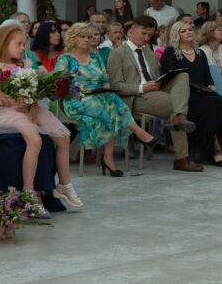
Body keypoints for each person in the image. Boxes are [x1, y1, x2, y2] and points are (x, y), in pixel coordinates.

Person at [0, 24, 79, 213]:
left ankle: (64, 184)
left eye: (24, 45)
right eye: (18, 44)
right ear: (4, 44)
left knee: (64, 137)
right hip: (4, 110)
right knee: (35, 140)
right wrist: (8, 100)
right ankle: (29, 192)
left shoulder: (24, 65)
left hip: (27, 107)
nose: (23, 49)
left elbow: (34, 92)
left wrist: (33, 103)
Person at [55, 23, 157, 177]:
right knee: (111, 109)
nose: (86, 40)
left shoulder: (95, 57)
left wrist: (105, 90)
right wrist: (83, 91)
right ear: (72, 38)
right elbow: (60, 84)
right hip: (76, 99)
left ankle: (110, 159)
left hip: (98, 97)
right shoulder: (65, 58)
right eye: (82, 36)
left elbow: (105, 80)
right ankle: (137, 134)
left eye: (88, 37)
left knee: (111, 100)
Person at [107, 15, 201, 172]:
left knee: (182, 76)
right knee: (175, 107)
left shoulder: (149, 53)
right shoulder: (117, 53)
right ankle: (181, 157)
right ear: (132, 30)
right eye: (143, 33)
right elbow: (116, 85)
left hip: (155, 91)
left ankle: (179, 118)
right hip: (136, 97)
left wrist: (160, 82)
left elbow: (156, 78)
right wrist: (142, 88)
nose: (146, 38)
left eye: (149, 35)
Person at [162, 22, 222, 167]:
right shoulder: (170, 53)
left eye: (190, 30)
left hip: (202, 92)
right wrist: (195, 89)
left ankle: (214, 147)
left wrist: (210, 85)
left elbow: (207, 76)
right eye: (183, 31)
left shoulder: (200, 53)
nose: (188, 32)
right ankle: (216, 149)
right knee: (209, 104)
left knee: (218, 101)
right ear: (176, 35)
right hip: (182, 96)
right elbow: (171, 78)